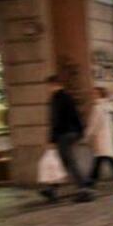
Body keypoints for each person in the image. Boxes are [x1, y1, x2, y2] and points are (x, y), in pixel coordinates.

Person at [40, 75, 93, 203]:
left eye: (48, 86)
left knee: (69, 162)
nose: (48, 89)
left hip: (63, 134)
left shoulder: (56, 98)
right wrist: (80, 131)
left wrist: (51, 139)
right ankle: (51, 189)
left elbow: (56, 120)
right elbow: (76, 115)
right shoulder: (68, 96)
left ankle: (83, 189)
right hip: (73, 132)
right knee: (62, 161)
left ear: (53, 84)